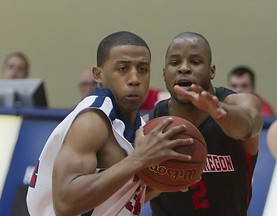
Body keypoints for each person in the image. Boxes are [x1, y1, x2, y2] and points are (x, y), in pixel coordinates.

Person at [26, 31, 195, 216]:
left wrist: (161, 185)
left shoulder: (137, 125)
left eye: (142, 69)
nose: (134, 79)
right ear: (98, 75)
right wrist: (139, 160)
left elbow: (110, 203)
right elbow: (65, 205)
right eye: (123, 68)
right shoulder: (92, 121)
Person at [147, 32, 263, 216]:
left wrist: (220, 113)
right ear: (164, 72)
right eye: (175, 62)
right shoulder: (151, 124)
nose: (183, 68)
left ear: (212, 70)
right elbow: (133, 195)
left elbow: (250, 125)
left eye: (195, 61)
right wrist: (160, 184)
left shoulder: (237, 103)